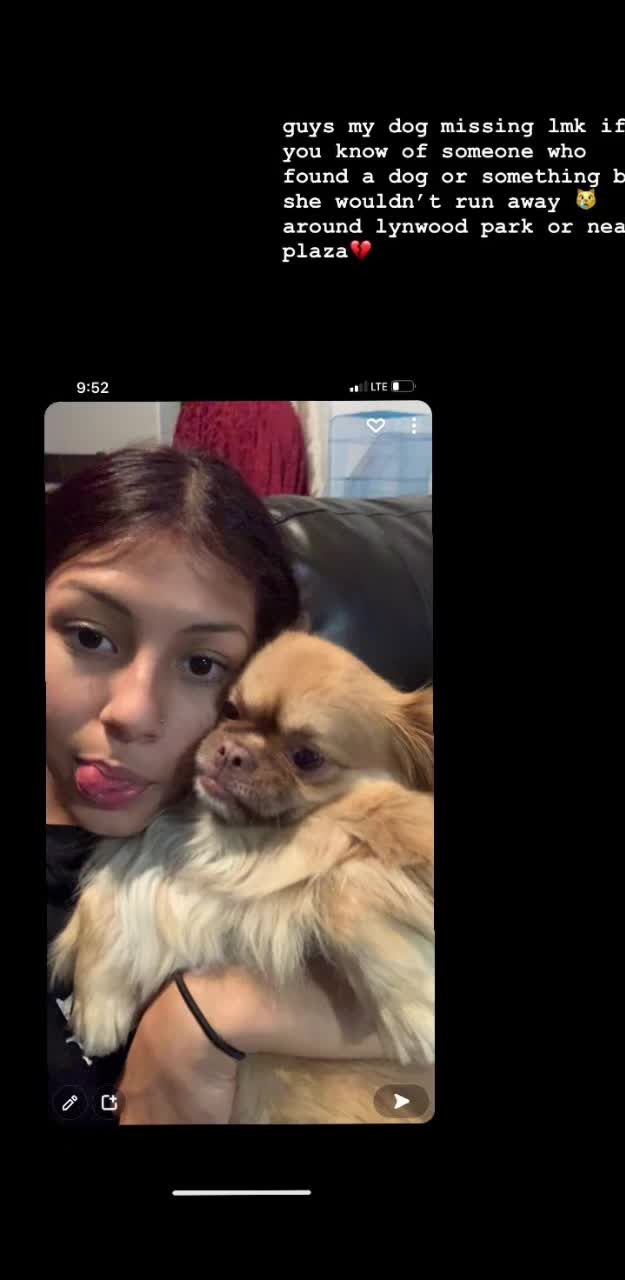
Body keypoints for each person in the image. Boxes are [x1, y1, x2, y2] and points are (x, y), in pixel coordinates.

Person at [46, 446, 385, 1125]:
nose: (134, 713)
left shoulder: (305, 826)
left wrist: (208, 1019)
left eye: (202, 665)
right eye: (90, 637)